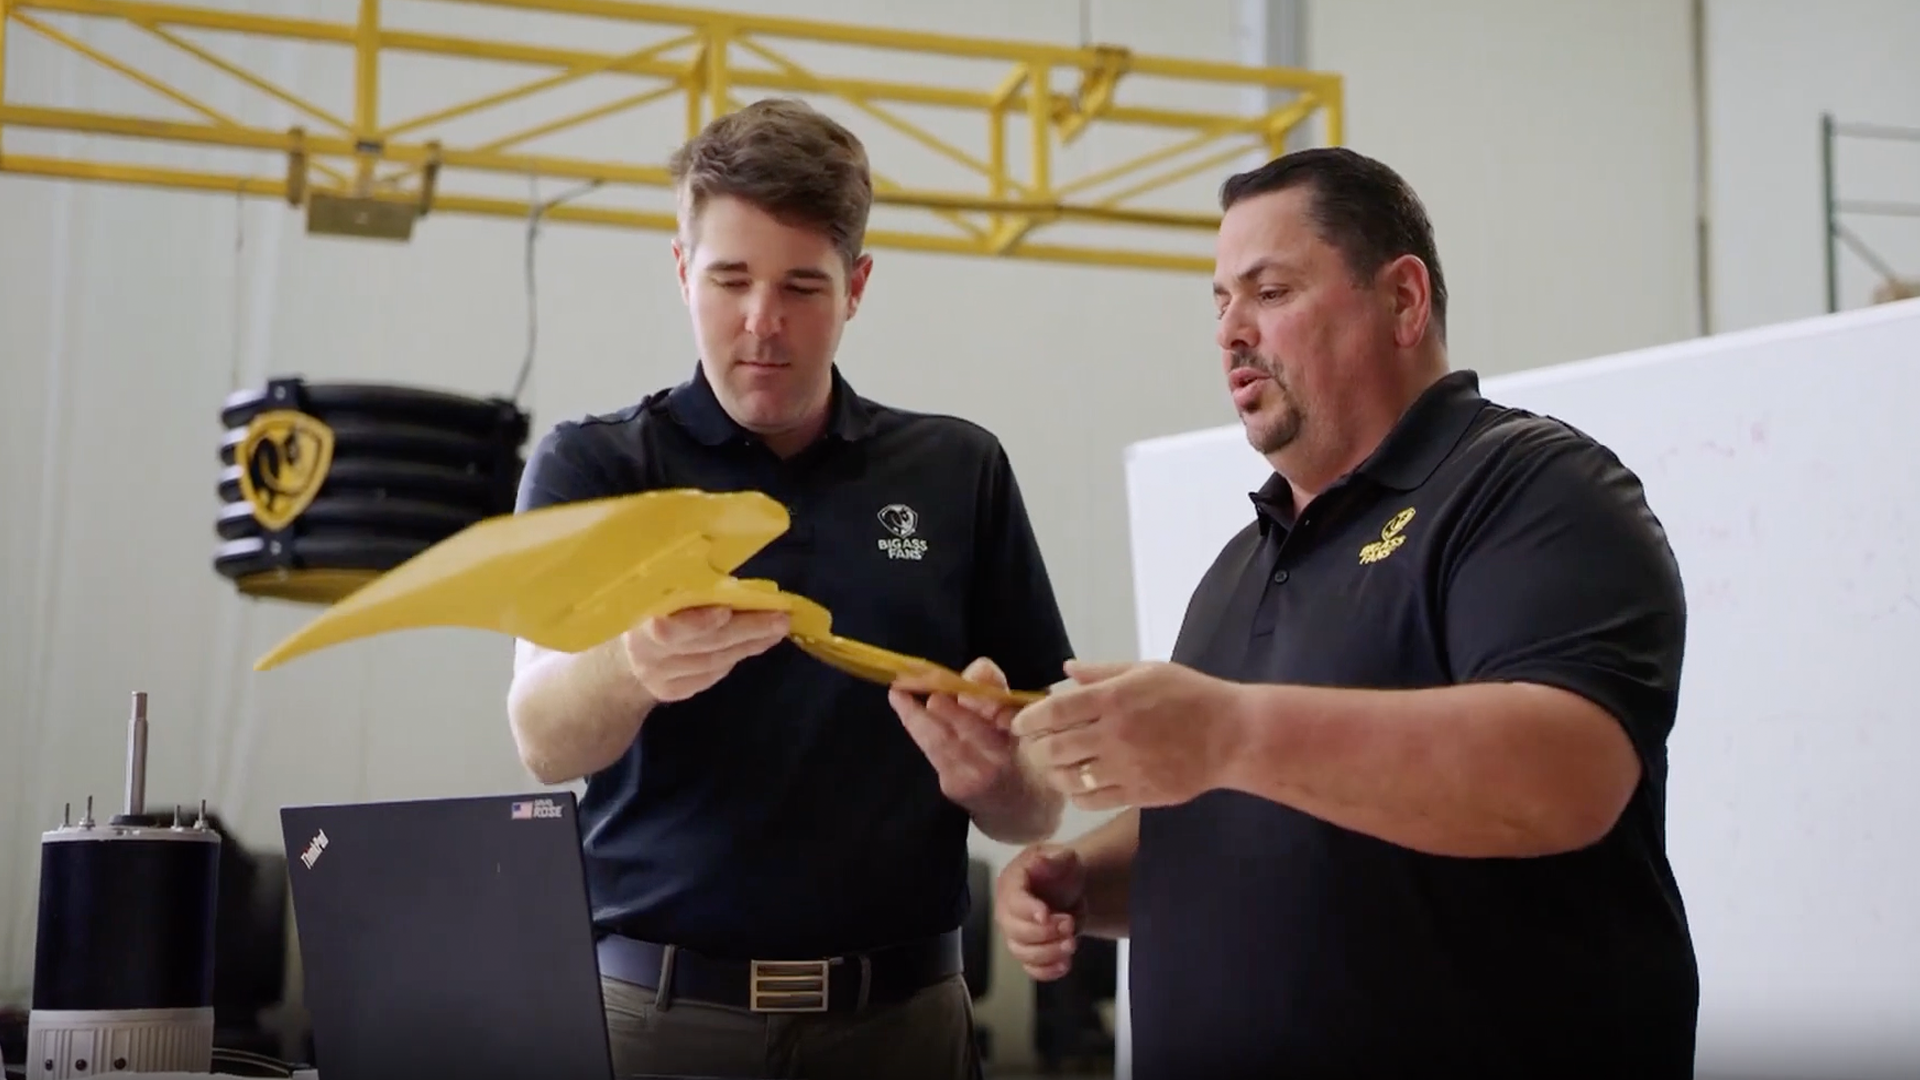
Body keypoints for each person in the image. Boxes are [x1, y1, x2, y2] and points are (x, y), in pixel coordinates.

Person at [995, 146, 1699, 1080]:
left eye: (1270, 292)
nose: (1229, 332)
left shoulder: (1533, 488)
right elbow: (1247, 819)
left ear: (1404, 301)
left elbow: (1568, 773)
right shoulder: (1241, 563)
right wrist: (1087, 880)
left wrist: (1231, 730)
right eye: (1218, 302)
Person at [505, 97, 1074, 1080]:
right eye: (729, 280)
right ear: (682, 271)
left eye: (802, 286)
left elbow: (1038, 801)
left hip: (902, 1023)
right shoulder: (595, 468)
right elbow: (542, 741)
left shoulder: (957, 471)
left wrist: (1000, 779)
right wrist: (637, 662)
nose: (762, 322)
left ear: (857, 285)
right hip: (655, 1016)